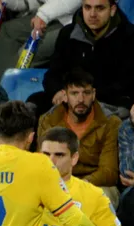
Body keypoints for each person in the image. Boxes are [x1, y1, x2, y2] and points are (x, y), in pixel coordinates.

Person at [35, 0, 134, 114]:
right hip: (69, 99)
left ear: (112, 10)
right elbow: (53, 74)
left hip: (109, 101)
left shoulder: (131, 36)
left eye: (99, 8)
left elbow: (129, 81)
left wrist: (87, 95)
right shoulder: (67, 33)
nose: (92, 14)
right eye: (87, 7)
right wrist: (59, 91)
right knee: (34, 103)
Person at [37, 69, 121, 197]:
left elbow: (108, 172)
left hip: (95, 184)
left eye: (86, 93)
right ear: (64, 96)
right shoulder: (48, 121)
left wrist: (78, 186)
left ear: (93, 94)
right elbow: (43, 164)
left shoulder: (110, 123)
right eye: (74, 93)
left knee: (105, 194)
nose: (81, 99)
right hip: (58, 181)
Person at [0, 0, 82, 85]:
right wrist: (3, 1)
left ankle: (6, 90)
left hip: (71, 24)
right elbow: (29, 2)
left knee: (25, 52)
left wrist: (43, 15)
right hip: (48, 18)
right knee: (8, 30)